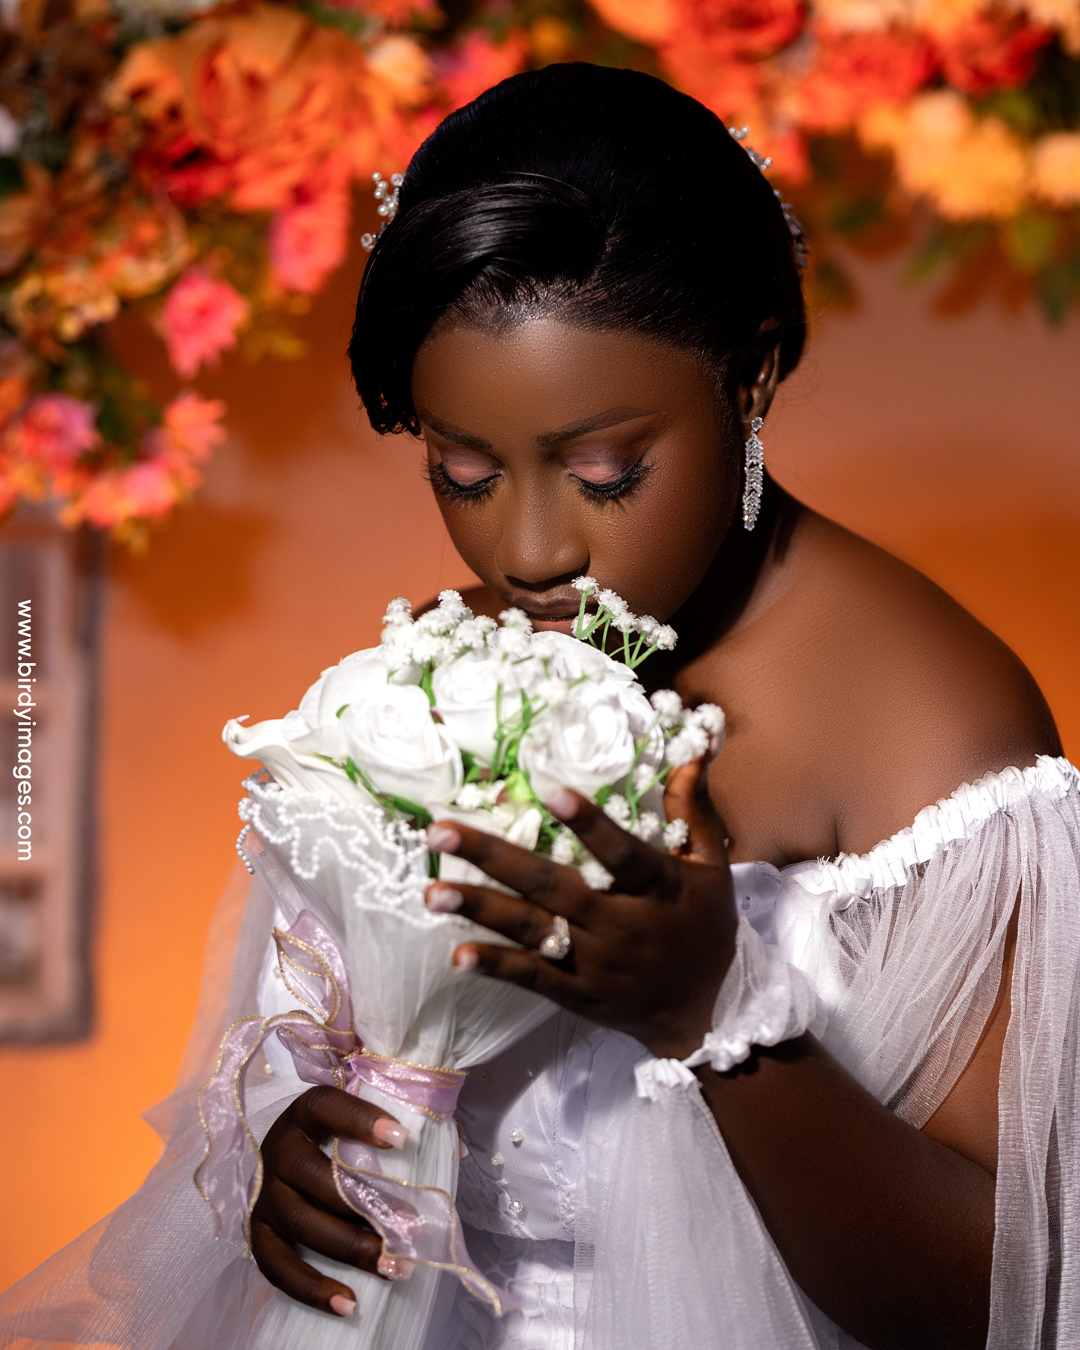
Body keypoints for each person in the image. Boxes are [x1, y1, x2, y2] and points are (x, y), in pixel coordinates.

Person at [2, 61, 1077, 1350]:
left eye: (605, 470)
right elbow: (329, 1030)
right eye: (460, 470)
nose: (525, 552)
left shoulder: (934, 728)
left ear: (753, 377)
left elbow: (1017, 1296)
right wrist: (296, 1145)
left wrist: (716, 1015)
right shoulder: (464, 676)